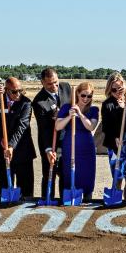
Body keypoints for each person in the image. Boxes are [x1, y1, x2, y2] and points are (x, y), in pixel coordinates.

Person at [0, 76, 36, 199]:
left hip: (22, 149)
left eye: (20, 90)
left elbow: (22, 125)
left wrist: (11, 145)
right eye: (14, 91)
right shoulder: (0, 99)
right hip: (1, 150)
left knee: (25, 187)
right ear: (6, 90)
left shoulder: (26, 103)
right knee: (5, 185)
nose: (18, 94)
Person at [31, 67, 72, 202]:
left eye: (55, 82)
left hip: (66, 140)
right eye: (49, 84)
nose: (54, 86)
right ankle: (48, 199)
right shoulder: (39, 102)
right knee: (50, 173)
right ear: (42, 82)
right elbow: (43, 129)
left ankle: (64, 201)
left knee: (65, 174)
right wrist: (48, 149)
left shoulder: (66, 87)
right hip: (50, 143)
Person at [55, 81, 99, 201]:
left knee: (87, 175)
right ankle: (70, 198)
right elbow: (58, 126)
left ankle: (87, 198)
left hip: (86, 148)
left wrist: (80, 113)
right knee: (69, 173)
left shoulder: (94, 109)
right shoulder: (67, 107)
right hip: (70, 145)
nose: (86, 99)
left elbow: (91, 127)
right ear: (77, 94)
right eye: (83, 95)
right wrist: (69, 116)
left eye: (89, 96)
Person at [100, 73, 126, 202]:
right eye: (114, 89)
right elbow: (105, 127)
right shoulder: (107, 104)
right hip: (115, 145)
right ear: (110, 89)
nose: (117, 92)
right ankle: (115, 200)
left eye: (120, 89)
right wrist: (115, 137)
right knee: (118, 176)